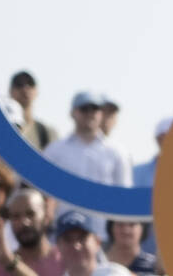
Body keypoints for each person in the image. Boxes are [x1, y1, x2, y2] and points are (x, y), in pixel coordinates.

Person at [42, 91, 132, 233]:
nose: (90, 113)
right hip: (63, 234)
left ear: (101, 114)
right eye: (84, 109)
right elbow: (43, 192)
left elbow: (125, 197)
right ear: (73, 113)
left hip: (102, 233)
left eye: (95, 109)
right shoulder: (54, 150)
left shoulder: (117, 152)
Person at [7, 71, 58, 152]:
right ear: (10, 91)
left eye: (30, 83)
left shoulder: (47, 133)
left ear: (36, 91)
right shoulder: (1, 128)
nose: (25, 88)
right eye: (19, 84)